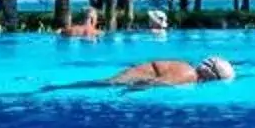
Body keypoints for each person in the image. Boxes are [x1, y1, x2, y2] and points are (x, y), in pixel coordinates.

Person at [69, 55, 237, 90]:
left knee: (103, 83)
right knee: (103, 85)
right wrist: (128, 93)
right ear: (210, 75)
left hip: (140, 71)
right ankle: (60, 88)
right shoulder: (189, 76)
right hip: (139, 75)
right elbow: (155, 83)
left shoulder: (187, 68)